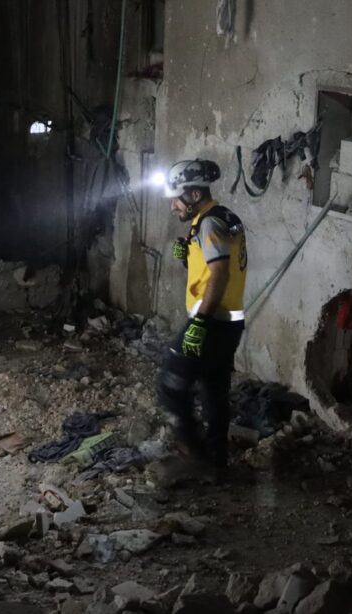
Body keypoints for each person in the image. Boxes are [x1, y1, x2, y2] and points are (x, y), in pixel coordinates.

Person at [157, 159, 247, 478]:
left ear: (194, 194)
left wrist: (199, 324)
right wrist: (189, 257)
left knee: (171, 382)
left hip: (211, 324)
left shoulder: (209, 224)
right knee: (214, 390)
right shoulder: (220, 218)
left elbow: (220, 274)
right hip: (229, 324)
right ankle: (217, 462)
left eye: (176, 198)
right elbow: (212, 269)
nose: (172, 206)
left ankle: (193, 455)